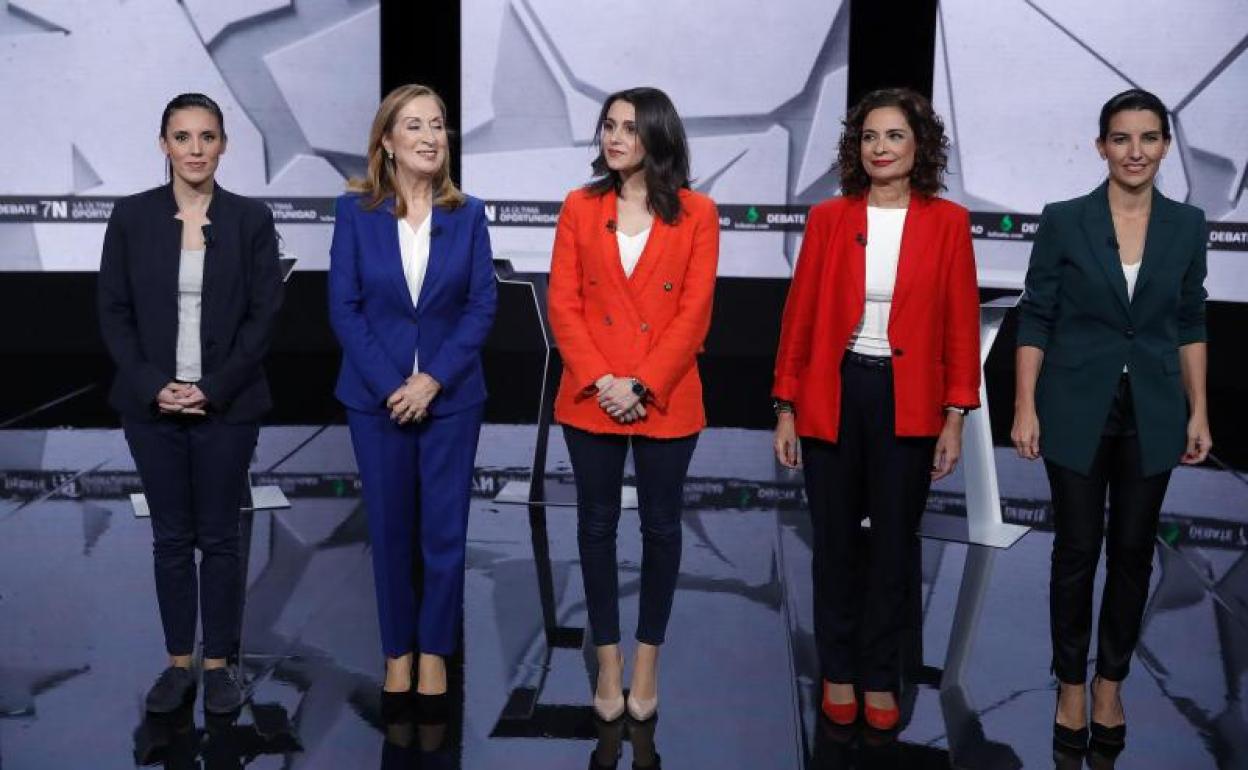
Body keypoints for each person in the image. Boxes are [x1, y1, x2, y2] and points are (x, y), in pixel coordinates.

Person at [772, 87, 981, 731]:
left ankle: (881, 673)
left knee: (895, 545)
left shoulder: (946, 222)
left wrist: (955, 416)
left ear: (919, 145)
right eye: (869, 137)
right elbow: (800, 314)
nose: (880, 148)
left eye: (894, 136)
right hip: (834, 390)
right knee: (833, 542)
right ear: (855, 147)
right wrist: (785, 406)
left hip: (908, 397)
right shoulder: (830, 219)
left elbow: (959, 324)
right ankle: (836, 669)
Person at [1010, 88, 1211, 752]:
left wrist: (1199, 410)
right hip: (1074, 405)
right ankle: (1071, 682)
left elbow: (1189, 321)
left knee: (1131, 552)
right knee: (1075, 552)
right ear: (1101, 146)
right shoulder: (1065, 220)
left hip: (1152, 409)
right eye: (1121, 138)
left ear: (1165, 146)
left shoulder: (1187, 224)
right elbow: (1036, 315)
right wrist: (1024, 405)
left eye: (1149, 138)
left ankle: (1109, 683)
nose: (1135, 151)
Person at [98, 92, 283, 714]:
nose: (196, 149)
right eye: (183, 137)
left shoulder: (251, 220)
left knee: (222, 537)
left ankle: (219, 665)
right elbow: (113, 313)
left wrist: (212, 387)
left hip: (226, 405)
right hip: (151, 407)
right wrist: (156, 385)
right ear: (164, 145)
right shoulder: (130, 217)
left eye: (208, 137)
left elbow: (263, 318)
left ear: (224, 145)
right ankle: (178, 665)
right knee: (172, 540)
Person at [547, 86, 719, 722]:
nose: (614, 138)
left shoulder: (698, 213)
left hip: (664, 395)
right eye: (608, 126)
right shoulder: (580, 205)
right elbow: (563, 304)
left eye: (629, 128)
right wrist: (602, 379)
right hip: (592, 394)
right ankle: (610, 658)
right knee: (595, 527)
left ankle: (648, 657)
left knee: (660, 528)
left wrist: (641, 383)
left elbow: (693, 314)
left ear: (659, 137)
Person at [328, 84, 497, 720]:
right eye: (414, 125)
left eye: (438, 124)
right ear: (387, 142)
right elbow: (344, 308)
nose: (430, 136)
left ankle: (434, 652)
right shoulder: (355, 213)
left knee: (445, 534)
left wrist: (434, 381)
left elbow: (482, 305)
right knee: (391, 532)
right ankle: (396, 650)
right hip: (377, 403)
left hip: (452, 401)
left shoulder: (469, 212)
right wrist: (393, 386)